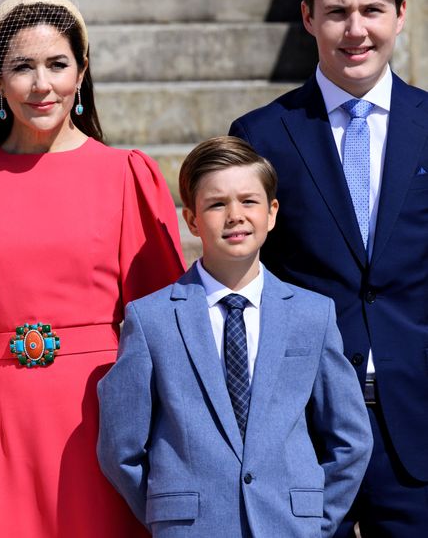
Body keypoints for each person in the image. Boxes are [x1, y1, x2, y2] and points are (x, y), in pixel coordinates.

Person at [0, 0, 185, 537]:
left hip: (108, 424)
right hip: (0, 427)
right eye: (22, 67)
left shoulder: (128, 176)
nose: (42, 85)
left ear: (81, 72)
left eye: (57, 65)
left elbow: (168, 327)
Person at [229, 0, 428, 536]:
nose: (356, 30)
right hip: (302, 429)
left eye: (372, 9)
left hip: (418, 428)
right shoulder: (261, 134)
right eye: (337, 11)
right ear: (307, 17)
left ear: (400, 13)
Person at [97, 136, 372, 537]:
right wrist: (170, 516)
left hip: (289, 525)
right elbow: (121, 448)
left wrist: (314, 519)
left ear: (272, 212)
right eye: (216, 204)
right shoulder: (150, 318)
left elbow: (351, 438)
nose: (235, 216)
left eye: (248, 201)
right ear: (191, 220)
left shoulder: (313, 314)